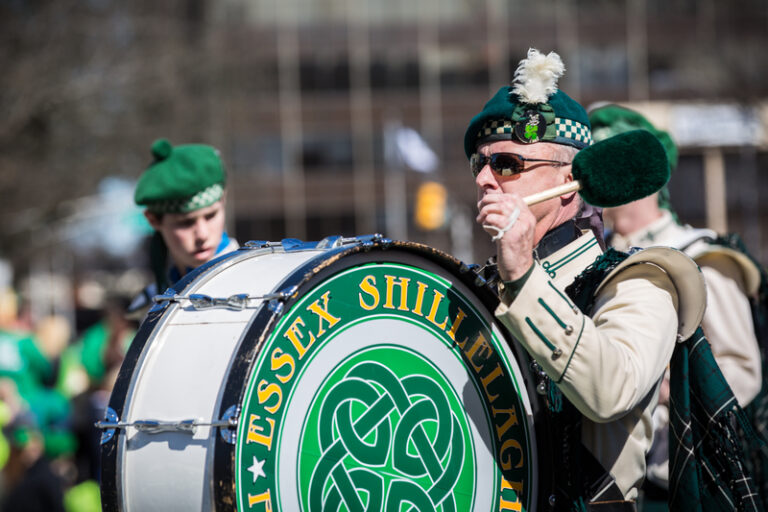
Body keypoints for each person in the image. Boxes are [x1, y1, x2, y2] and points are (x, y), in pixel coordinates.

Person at [465, 48, 708, 508]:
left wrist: (522, 277)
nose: (485, 180)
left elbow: (610, 390)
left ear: (570, 182)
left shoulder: (641, 279)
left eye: (508, 165)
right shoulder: (477, 288)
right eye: (480, 164)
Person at [588, 104, 764, 506]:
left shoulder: (702, 256)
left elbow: (743, 369)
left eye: (605, 160)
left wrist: (674, 389)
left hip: (681, 482)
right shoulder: (595, 259)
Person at [128, 138, 239, 315]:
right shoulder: (150, 304)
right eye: (185, 223)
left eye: (210, 216)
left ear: (223, 199)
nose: (202, 234)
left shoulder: (262, 282)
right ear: (153, 220)